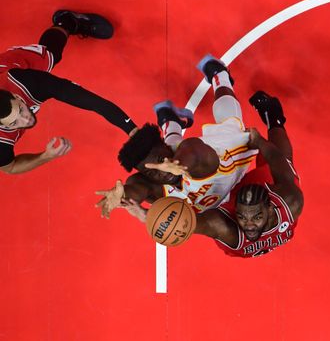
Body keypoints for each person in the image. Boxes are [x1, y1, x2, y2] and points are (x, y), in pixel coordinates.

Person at [122, 92, 303, 259]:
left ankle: (172, 125)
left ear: (271, 208)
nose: (248, 225)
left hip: (239, 234)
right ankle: (275, 118)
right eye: (243, 216)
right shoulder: (291, 202)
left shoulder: (223, 226)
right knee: (282, 164)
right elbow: (277, 158)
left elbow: (185, 223)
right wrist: (260, 142)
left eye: (255, 217)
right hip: (244, 200)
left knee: (192, 190)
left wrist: (148, 216)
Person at [95, 55, 258, 216]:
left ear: (163, 147)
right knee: (172, 152)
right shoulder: (151, 183)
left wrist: (177, 163)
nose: (161, 173)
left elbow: (191, 153)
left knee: (231, 123)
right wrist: (123, 196)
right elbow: (135, 189)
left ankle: (219, 75)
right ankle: (169, 120)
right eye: (152, 173)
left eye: (160, 161)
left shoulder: (191, 150)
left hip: (223, 159)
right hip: (195, 173)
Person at [0, 10, 137, 174]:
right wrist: (45, 156)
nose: (26, 119)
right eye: (14, 123)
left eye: (21, 109)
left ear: (16, 97)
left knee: (51, 55)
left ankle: (67, 21)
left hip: (10, 71)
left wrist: (131, 129)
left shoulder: (29, 83)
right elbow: (10, 167)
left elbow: (93, 102)